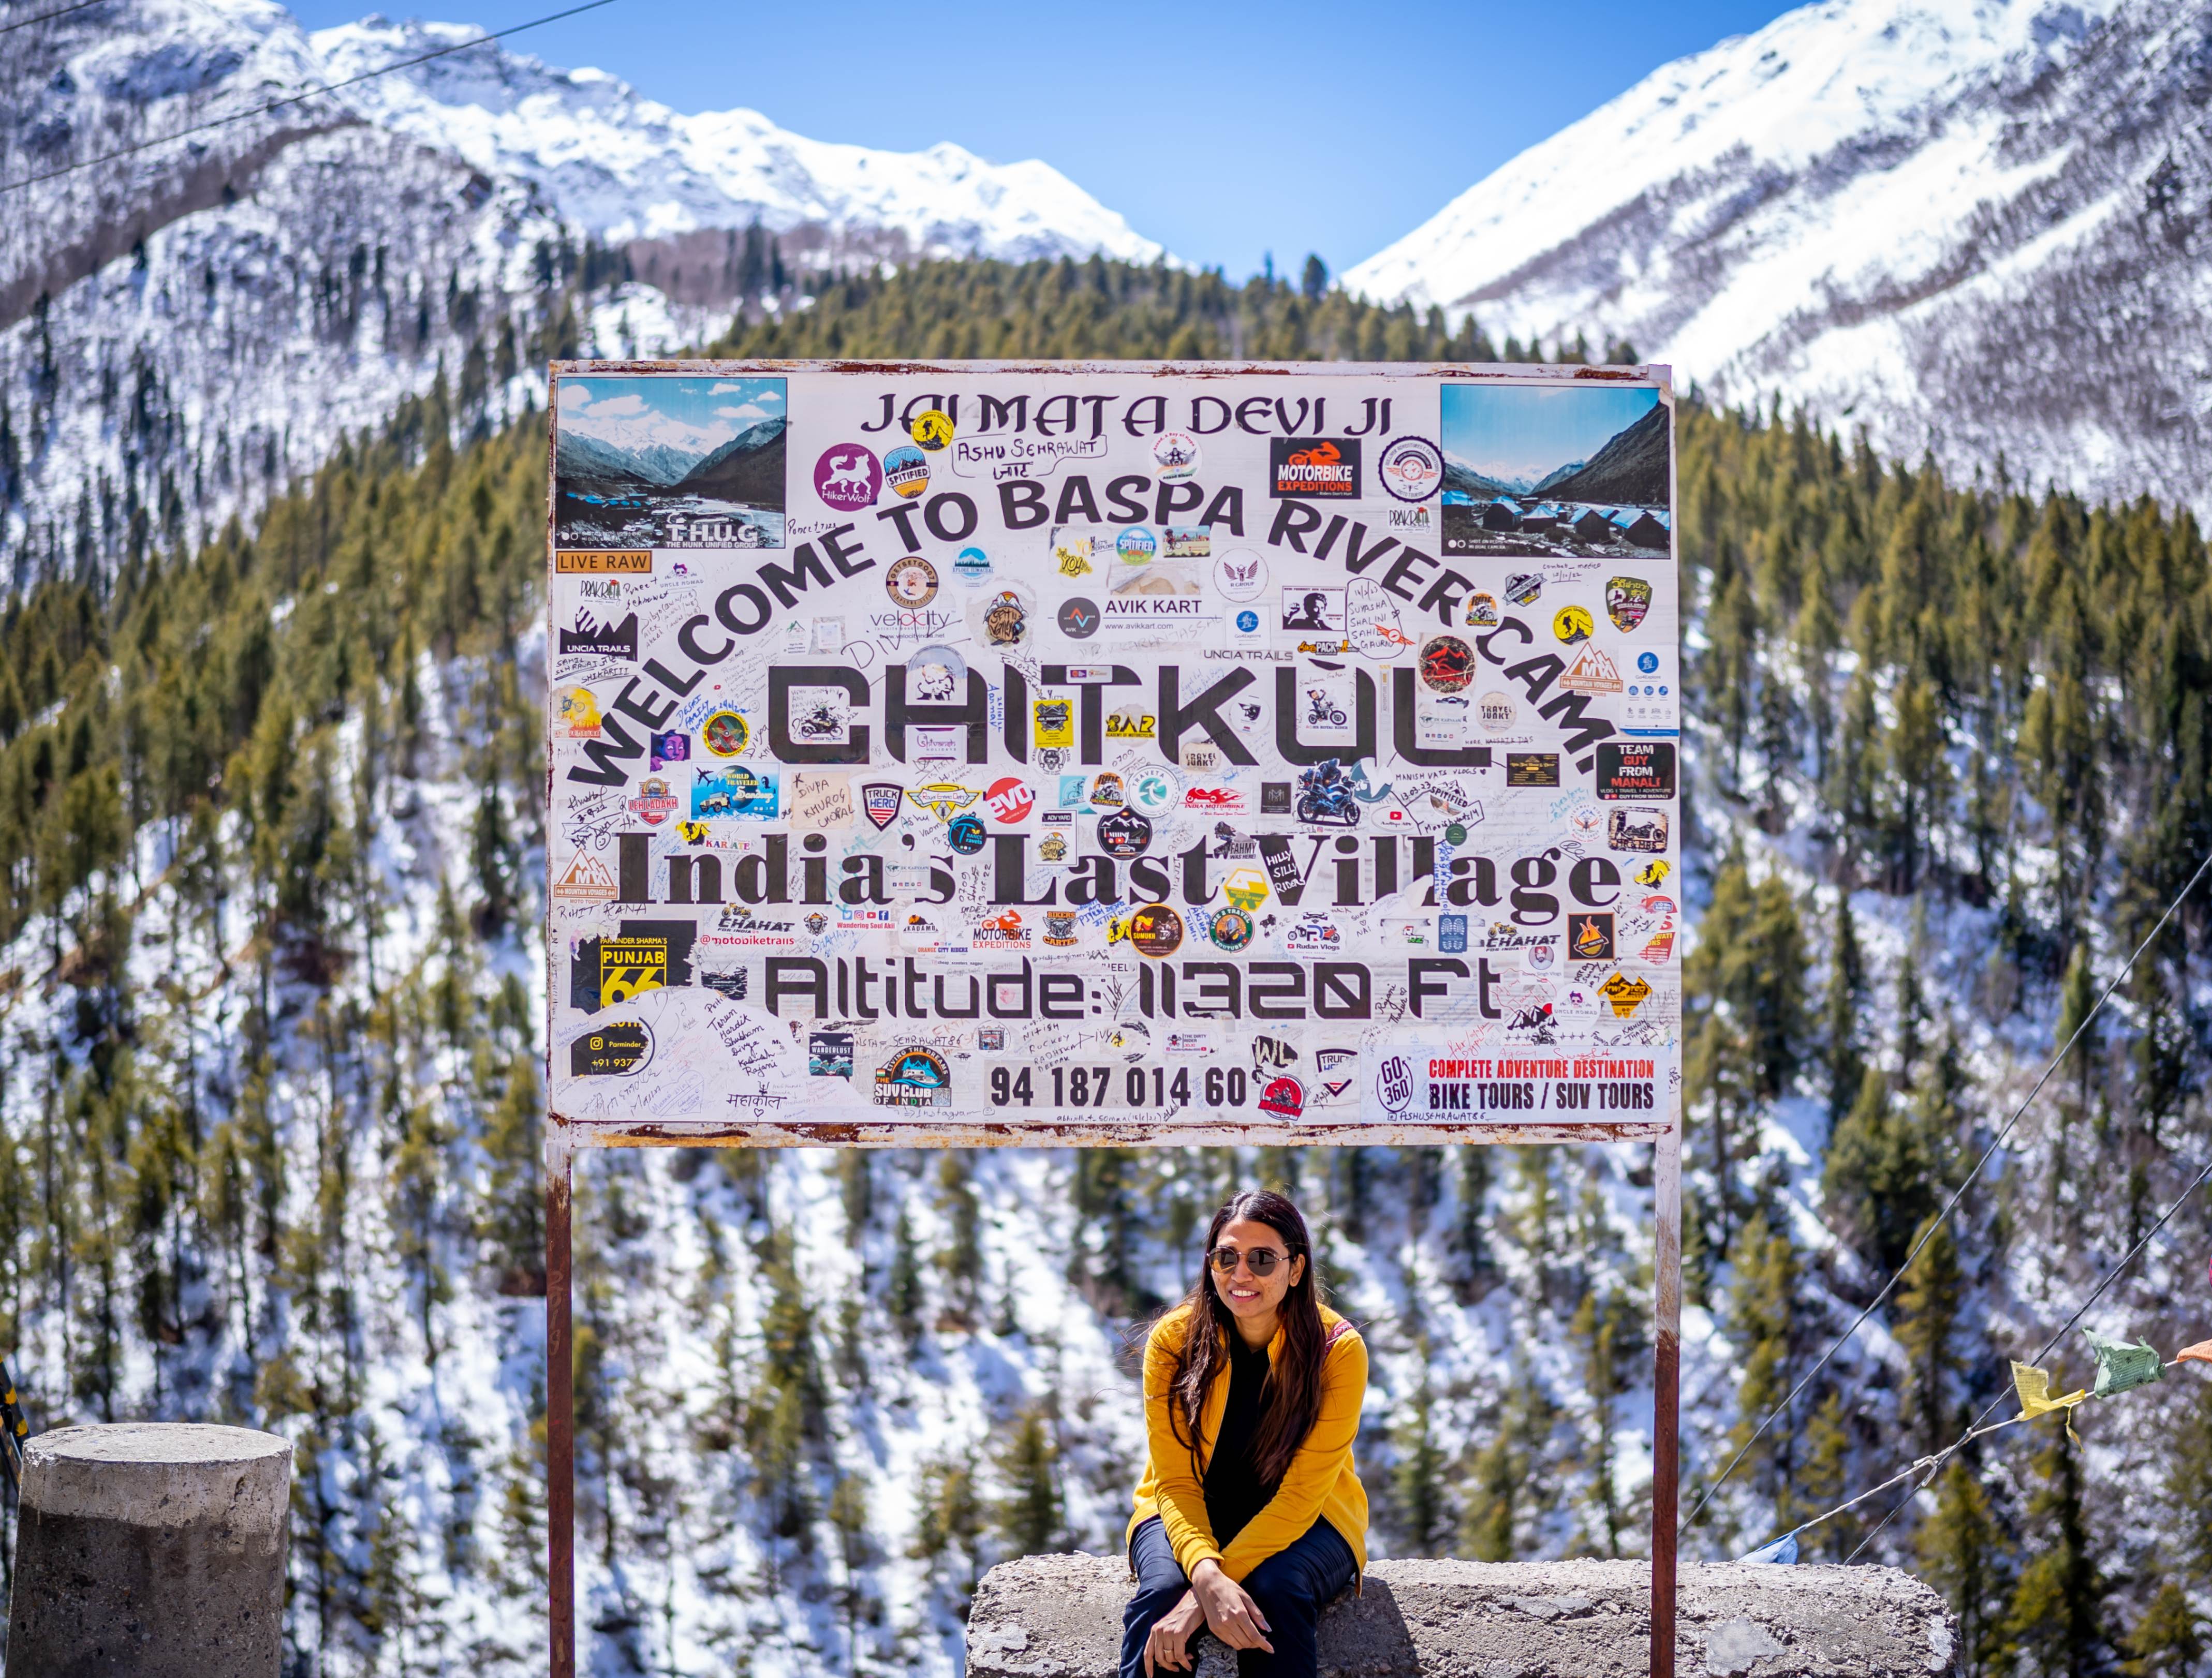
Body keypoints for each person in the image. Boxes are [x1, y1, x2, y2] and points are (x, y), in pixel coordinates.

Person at [1122, 1191, 1367, 1678]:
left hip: (1311, 1515)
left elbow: (1301, 1496)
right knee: (1159, 1598)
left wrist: (1202, 1599)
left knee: (1275, 1589)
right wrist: (1205, 1576)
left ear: (1295, 1269)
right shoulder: (1175, 1340)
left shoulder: (1337, 1350)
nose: (1241, 1274)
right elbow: (1175, 1483)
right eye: (1226, 1257)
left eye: (1261, 1259)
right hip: (1188, 1508)